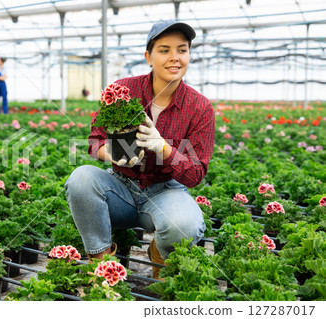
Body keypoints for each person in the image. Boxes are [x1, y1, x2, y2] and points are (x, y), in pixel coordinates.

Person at [65, 20, 215, 279]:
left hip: (165, 192)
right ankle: (102, 265)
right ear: (149, 56)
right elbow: (94, 141)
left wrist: (164, 148)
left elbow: (196, 174)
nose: (174, 58)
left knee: (185, 224)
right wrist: (110, 154)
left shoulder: (200, 107)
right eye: (164, 50)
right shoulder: (123, 90)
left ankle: (161, 254)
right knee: (81, 179)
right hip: (120, 187)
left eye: (182, 50)